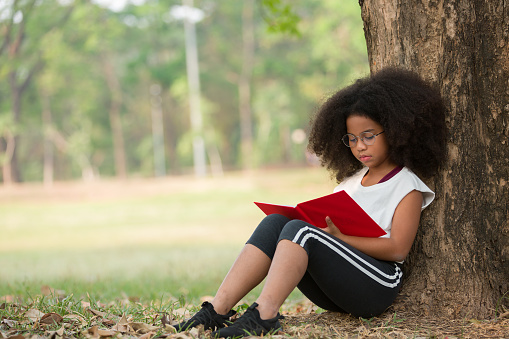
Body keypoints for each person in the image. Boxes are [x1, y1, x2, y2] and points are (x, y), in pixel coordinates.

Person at [172, 67, 447, 338]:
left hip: (378, 285)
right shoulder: (350, 184)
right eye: (352, 139)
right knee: (277, 222)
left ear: (395, 131)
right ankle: (215, 311)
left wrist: (341, 238)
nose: (359, 146)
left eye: (368, 136)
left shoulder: (406, 185)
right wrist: (329, 234)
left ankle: (264, 315)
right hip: (338, 289)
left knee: (299, 230)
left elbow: (398, 249)